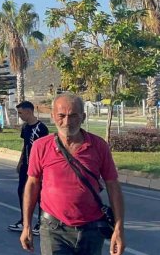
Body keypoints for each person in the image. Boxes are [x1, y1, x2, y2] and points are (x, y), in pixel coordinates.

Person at [20, 93, 125, 255]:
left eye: (73, 115)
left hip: (92, 229)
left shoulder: (98, 146)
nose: (67, 121)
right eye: (61, 115)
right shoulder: (41, 146)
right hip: (53, 230)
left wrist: (119, 228)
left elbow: (113, 185)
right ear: (54, 116)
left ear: (83, 117)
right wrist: (26, 225)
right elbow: (32, 184)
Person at [8, 101, 49, 235]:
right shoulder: (25, 127)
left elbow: (45, 149)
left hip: (38, 167)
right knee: (22, 191)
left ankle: (41, 223)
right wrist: (20, 161)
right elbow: (25, 145)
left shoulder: (41, 128)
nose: (19, 115)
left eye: (20, 112)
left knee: (38, 195)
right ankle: (24, 220)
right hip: (26, 165)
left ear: (28, 111)